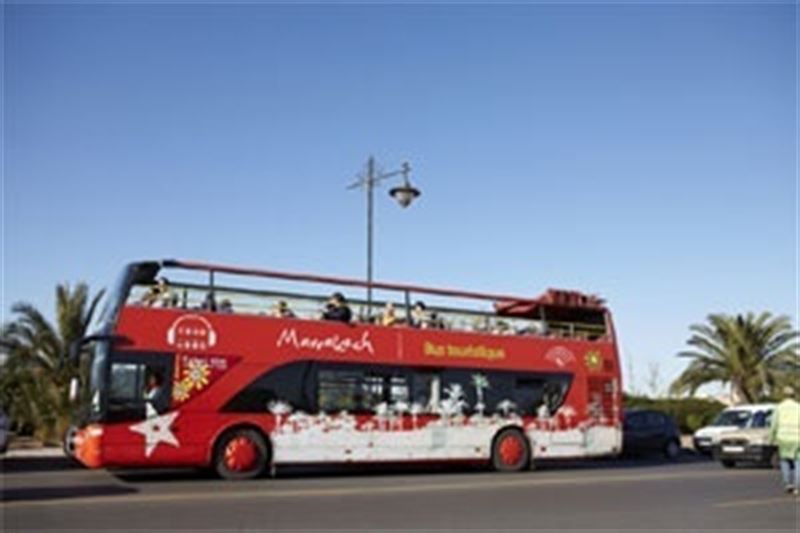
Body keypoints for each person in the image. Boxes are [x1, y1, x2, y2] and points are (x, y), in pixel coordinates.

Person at [769, 386, 800, 495]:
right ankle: (797, 487)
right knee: (797, 462)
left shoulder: (779, 408)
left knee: (785, 461)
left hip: (783, 438)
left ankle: (788, 484)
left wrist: (771, 438)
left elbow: (773, 425)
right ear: (794, 395)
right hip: (797, 438)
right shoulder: (798, 407)